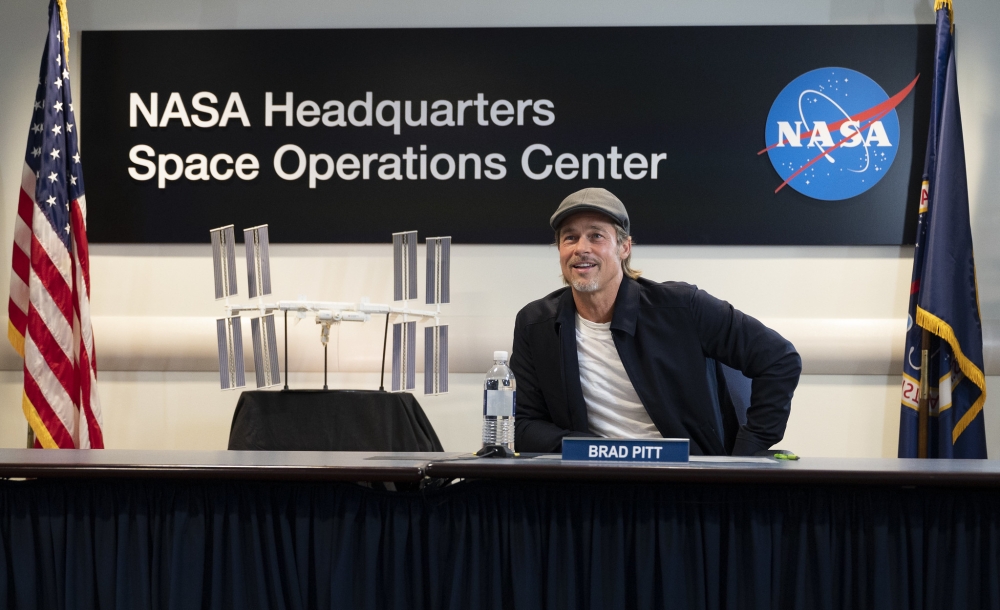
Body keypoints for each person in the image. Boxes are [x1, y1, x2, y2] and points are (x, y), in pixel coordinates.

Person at [510, 188, 801, 455]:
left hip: (683, 479)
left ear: (624, 247)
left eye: (596, 236)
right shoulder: (535, 324)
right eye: (570, 238)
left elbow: (779, 358)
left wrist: (746, 452)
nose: (581, 248)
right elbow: (522, 424)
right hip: (591, 478)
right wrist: (591, 449)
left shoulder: (682, 307)